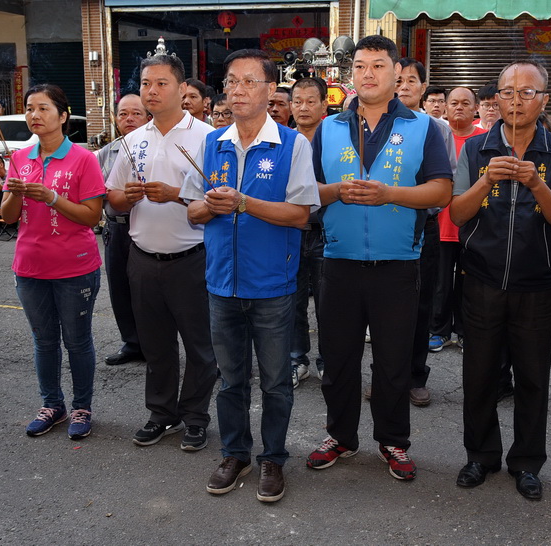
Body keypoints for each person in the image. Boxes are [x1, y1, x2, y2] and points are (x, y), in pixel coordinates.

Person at [306, 36, 452, 481]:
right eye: (360, 67)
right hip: (339, 261)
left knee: (393, 362)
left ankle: (393, 441)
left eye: (378, 66)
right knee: (338, 358)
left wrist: (390, 194)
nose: (367, 74)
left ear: (397, 75)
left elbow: (442, 191)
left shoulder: (423, 127)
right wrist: (335, 192)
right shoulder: (328, 128)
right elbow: (307, 195)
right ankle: (341, 437)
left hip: (398, 264)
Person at [182, 48, 319, 503]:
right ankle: (235, 452)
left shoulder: (292, 144)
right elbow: (194, 211)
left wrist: (242, 202)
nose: (237, 90)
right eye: (231, 82)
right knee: (231, 378)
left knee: (276, 380)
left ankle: (273, 459)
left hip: (272, 286)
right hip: (221, 281)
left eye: (248, 81)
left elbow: (300, 215)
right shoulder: (212, 143)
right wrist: (211, 204)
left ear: (269, 89)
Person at [449, 60, 551, 501]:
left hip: (536, 284)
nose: (517, 101)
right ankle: (480, 455)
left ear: (544, 99)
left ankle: (527, 462)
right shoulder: (475, 149)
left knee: (532, 377)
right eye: (508, 92)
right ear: (496, 100)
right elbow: (457, 213)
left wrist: (537, 187)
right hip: (482, 280)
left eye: (528, 92)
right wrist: (488, 179)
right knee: (479, 374)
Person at [108, 56, 218, 453]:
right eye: (145, 84)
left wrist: (177, 195)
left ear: (181, 88)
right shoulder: (134, 139)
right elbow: (114, 198)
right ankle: (161, 413)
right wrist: (128, 196)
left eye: (160, 83)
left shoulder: (208, 138)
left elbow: (220, 200)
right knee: (155, 346)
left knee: (201, 346)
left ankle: (195, 417)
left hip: (192, 257)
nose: (151, 91)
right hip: (141, 257)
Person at [1, 84, 105, 440]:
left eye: (43, 108)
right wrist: (16, 193)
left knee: (77, 341)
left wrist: (52, 197)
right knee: (43, 341)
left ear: (63, 116)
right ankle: (52, 404)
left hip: (75, 267)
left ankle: (81, 407)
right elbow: (9, 217)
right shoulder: (19, 158)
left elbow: (92, 216)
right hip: (30, 267)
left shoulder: (83, 159)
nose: (34, 115)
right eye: (30, 108)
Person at [393, 57, 457, 407]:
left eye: (412, 80)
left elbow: (447, 181)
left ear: (423, 88)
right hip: (383, 223)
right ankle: (386, 374)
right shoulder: (373, 124)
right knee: (385, 306)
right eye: (399, 79)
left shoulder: (437, 129)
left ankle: (416, 376)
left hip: (423, 226)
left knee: (419, 304)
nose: (404, 86)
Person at [430, 87, 485, 351]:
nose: (459, 107)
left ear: (476, 108)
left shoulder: (485, 139)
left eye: (465, 103)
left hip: (472, 224)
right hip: (441, 224)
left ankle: (464, 330)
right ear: (445, 107)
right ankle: (439, 330)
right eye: (454, 103)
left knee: (468, 281)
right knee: (440, 282)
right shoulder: (436, 136)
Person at [98, 94, 148, 367]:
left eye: (136, 114)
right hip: (117, 229)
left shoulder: (157, 148)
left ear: (147, 117)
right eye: (123, 114)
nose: (129, 119)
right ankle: (132, 342)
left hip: (148, 225)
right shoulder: (106, 153)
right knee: (120, 288)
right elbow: (97, 194)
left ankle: (155, 344)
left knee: (150, 291)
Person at [289, 76, 329, 386]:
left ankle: (328, 359)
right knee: (292, 300)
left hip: (327, 231)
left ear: (324, 104)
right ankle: (296, 359)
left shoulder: (335, 139)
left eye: (310, 101)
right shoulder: (284, 142)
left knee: (330, 301)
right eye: (297, 101)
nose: (303, 107)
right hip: (290, 231)